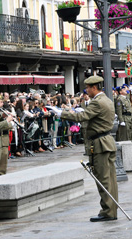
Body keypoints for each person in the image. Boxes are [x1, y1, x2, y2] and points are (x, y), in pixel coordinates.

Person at [50, 76, 118, 222]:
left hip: (100, 144)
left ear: (94, 87)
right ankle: (111, 209)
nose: (86, 91)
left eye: (87, 88)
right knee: (110, 179)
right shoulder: (106, 99)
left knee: (103, 179)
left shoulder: (98, 102)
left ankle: (108, 211)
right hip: (106, 142)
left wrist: (61, 113)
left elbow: (82, 116)